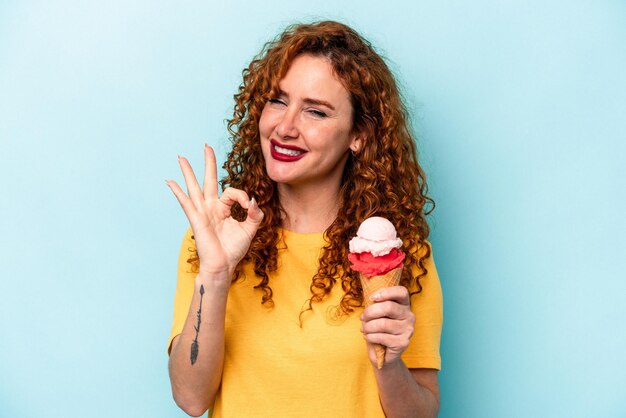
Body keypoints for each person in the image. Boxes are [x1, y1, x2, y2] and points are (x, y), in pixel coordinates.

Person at [165, 20, 443, 418]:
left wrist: (390, 360)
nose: (285, 126)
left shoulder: (404, 257)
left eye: (315, 111)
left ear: (358, 135)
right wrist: (215, 271)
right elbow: (191, 399)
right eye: (278, 100)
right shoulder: (214, 238)